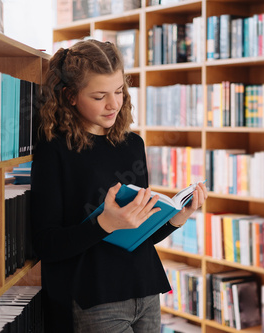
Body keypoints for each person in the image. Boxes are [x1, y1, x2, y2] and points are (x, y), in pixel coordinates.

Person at [30, 39, 207, 332]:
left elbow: (139, 235)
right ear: (71, 96)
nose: (113, 104)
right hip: (93, 297)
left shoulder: (132, 145)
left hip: (145, 288)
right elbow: (46, 245)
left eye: (119, 91)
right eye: (99, 96)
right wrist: (102, 224)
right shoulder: (54, 151)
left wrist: (177, 217)